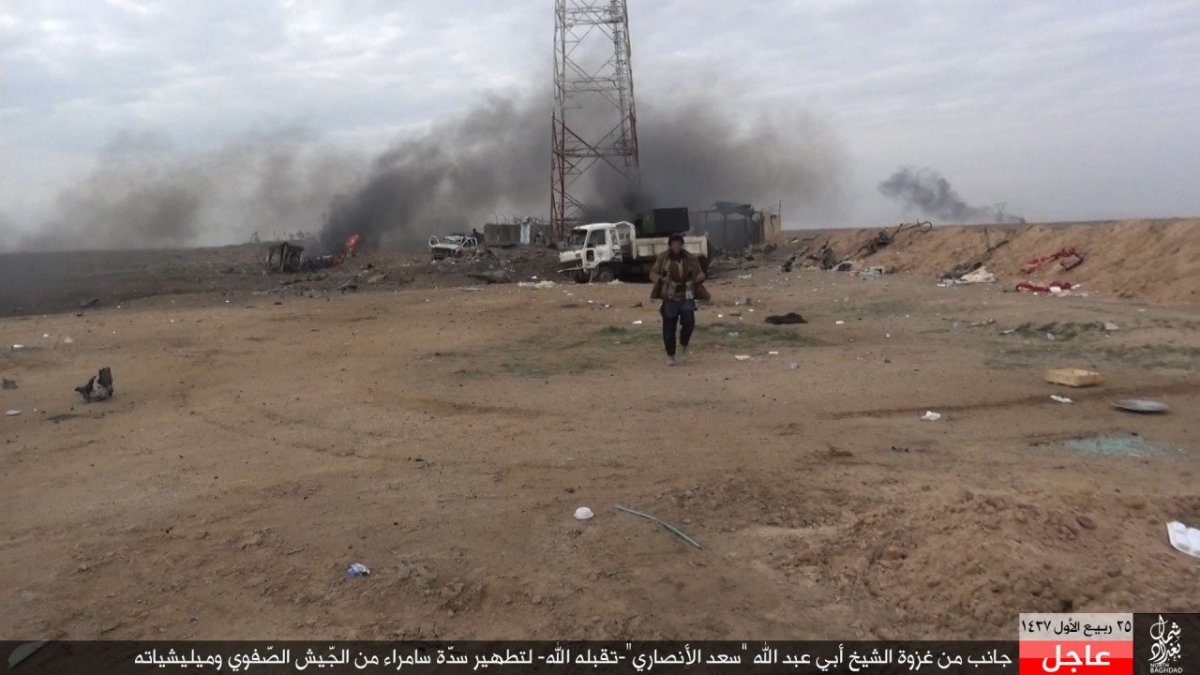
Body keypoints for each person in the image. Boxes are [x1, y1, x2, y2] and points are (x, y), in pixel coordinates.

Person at [649, 233, 710, 365]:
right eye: (674, 244)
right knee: (669, 327)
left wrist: (695, 280)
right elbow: (653, 273)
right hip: (670, 296)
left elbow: (700, 273)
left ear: (682, 245)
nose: (676, 247)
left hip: (686, 294)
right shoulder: (663, 258)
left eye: (678, 244)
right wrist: (662, 280)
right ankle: (670, 355)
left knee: (689, 321)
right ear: (670, 245)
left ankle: (684, 343)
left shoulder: (690, 258)